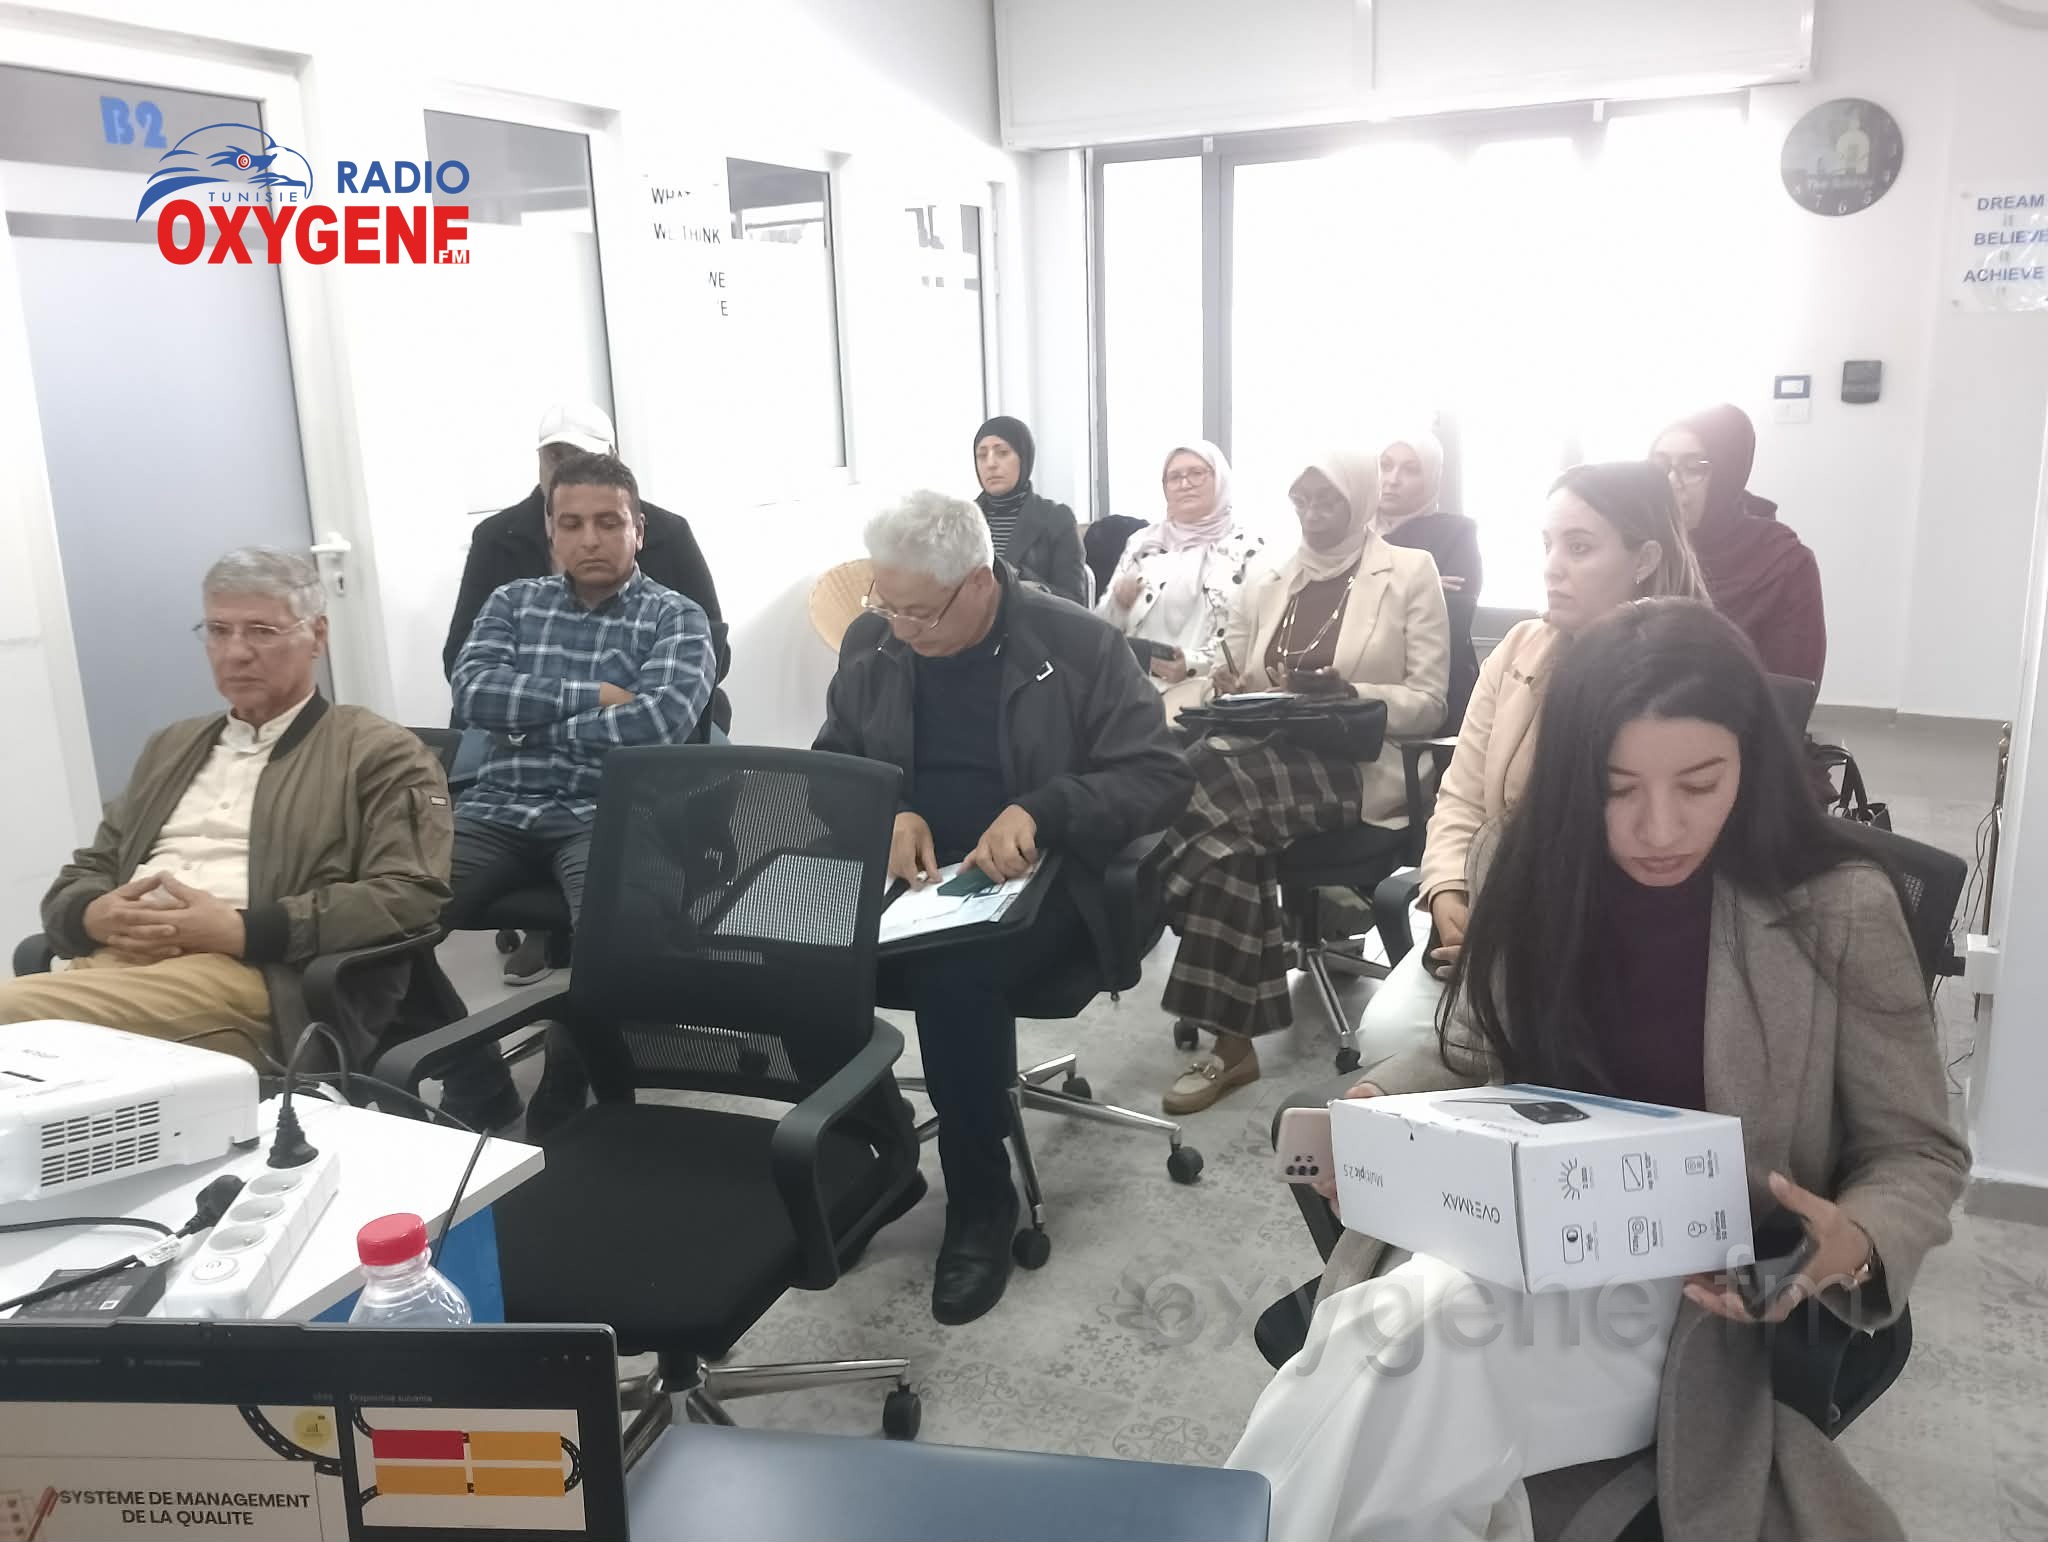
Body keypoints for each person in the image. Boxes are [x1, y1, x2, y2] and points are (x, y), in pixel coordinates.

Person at [1233, 601, 1968, 1542]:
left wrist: (1849, 1241)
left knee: (1399, 1361)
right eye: (1619, 790)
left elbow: (1918, 1152)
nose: (1659, 828)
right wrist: (1382, 1104)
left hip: (1700, 1297)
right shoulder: (1531, 865)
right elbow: (1473, 1055)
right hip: (1511, 1242)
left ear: (1752, 763)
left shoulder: (1836, 908)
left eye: (1700, 784)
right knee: (1400, 1363)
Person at [814, 490, 1192, 1326]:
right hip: (914, 877)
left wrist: (1046, 808)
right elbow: (831, 762)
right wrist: (889, 810)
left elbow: (1159, 777)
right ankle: (878, 1157)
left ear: (980, 583)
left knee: (954, 973)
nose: (899, 628)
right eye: (887, 604)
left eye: (919, 612)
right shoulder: (876, 642)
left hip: (1050, 882)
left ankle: (981, 1200)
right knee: (800, 946)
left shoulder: (1078, 644)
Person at [0, 548, 452, 1070]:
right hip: (114, 966)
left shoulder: (377, 752)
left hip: (256, 978)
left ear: (317, 635)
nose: (235, 652)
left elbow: (410, 894)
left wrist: (244, 929)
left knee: (16, 1026)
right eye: (218, 630)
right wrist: (88, 913)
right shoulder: (171, 746)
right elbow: (93, 865)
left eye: (262, 631)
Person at [1351, 461, 1709, 1076]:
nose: (1552, 566)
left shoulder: (1687, 677)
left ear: (1646, 559)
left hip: (1609, 950)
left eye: (1580, 547)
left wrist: (1512, 946)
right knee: (1384, 1037)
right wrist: (1449, 892)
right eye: (1547, 545)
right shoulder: (1520, 650)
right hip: (1495, 923)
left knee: (1472, 1054)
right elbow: (1461, 796)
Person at [1156, 449, 1449, 1113]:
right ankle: (1233, 1047)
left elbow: (1431, 703)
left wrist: (1351, 692)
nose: (1313, 516)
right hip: (1261, 759)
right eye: (1302, 502)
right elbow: (1241, 678)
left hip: (1357, 764)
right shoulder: (1271, 576)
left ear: (1361, 499)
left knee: (1205, 777)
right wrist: (1230, 684)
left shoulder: (1409, 571)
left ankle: (1145, 897)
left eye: (1329, 502)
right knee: (1223, 830)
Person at [443, 451, 716, 1130]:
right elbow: (472, 694)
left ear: (638, 530)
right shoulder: (511, 602)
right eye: (571, 524)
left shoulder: (676, 617)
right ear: (550, 530)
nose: (589, 539)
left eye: (608, 522)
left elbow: (658, 724)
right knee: (387, 920)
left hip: (607, 811)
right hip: (497, 809)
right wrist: (593, 696)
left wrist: (524, 724)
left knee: (611, 938)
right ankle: (474, 1076)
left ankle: (571, 1068)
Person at [1650, 403, 1826, 685]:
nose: (1671, 481)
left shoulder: (1783, 562)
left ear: (1728, 473)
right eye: (1660, 466)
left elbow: (1790, 689)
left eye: (1692, 467)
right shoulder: (1642, 546)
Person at [1096, 441, 1265, 717]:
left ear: (1220, 480)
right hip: (1133, 686)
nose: (1185, 484)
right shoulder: (1143, 544)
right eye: (1174, 477)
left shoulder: (1249, 548)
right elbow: (1103, 628)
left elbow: (1252, 633)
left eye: (1197, 473)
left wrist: (1193, 665)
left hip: (1209, 690)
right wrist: (1119, 603)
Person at [1374, 429, 1483, 729]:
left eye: (1411, 470)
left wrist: (1365, 588)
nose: (1392, 479)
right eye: (1385, 465)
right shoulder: (1351, 534)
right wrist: (1420, 587)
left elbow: (1452, 617)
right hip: (1355, 683)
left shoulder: (1455, 533)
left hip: (1437, 691)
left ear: (1433, 476)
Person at [972, 415, 1087, 606]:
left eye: (1002, 453)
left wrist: (1024, 584)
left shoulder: (1057, 519)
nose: (990, 464)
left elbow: (1074, 601)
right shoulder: (962, 520)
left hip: (1034, 622)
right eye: (982, 456)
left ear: (1024, 458)